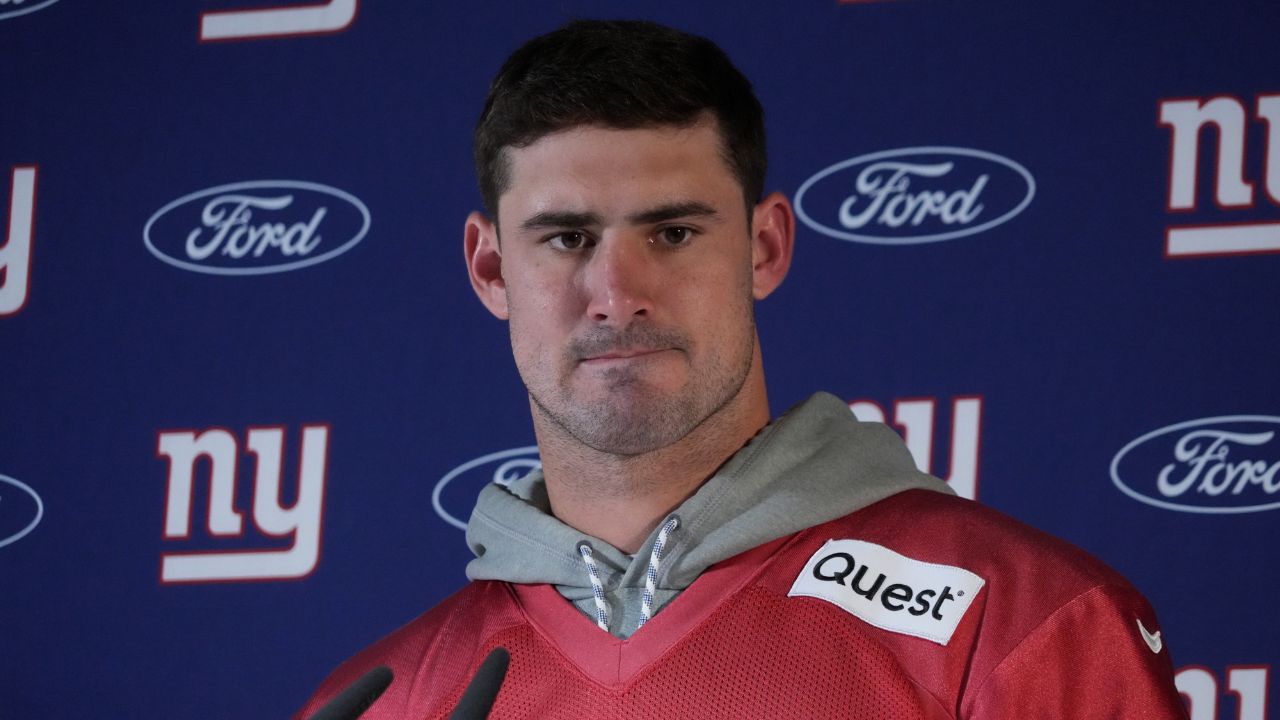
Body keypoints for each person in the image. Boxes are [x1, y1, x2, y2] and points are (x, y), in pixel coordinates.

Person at [296, 19, 1189, 719]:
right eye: (566, 239)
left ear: (764, 247)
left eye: (673, 233)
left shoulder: (1019, 627)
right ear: (490, 269)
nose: (616, 295)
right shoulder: (389, 699)